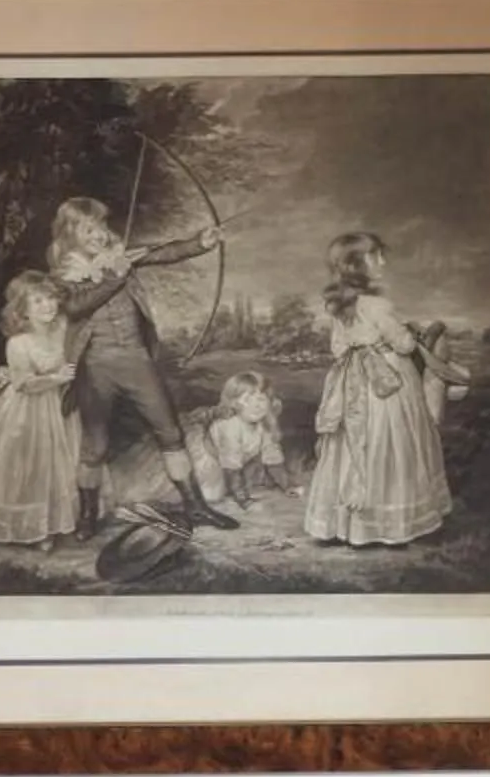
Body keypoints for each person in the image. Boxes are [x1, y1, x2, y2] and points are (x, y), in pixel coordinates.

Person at [49, 196, 238, 537]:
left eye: (102, 226)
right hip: (96, 367)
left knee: (171, 433)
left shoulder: (120, 255)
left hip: (137, 361)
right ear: (70, 233)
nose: (99, 235)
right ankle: (88, 516)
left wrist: (201, 243)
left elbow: (163, 251)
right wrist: (113, 278)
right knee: (96, 446)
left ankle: (196, 508)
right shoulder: (65, 273)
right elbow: (75, 308)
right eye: (89, 229)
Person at [304, 232, 455, 549]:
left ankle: (347, 524)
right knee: (394, 442)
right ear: (356, 264)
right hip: (387, 382)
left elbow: (337, 348)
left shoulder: (339, 306)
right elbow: (403, 344)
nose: (383, 261)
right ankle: (391, 522)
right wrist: (408, 334)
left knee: (354, 447)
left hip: (354, 384)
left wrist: (362, 348)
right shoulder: (377, 304)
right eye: (376, 256)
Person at [0, 271, 79, 548]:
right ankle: (32, 528)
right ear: (22, 310)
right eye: (38, 301)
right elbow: (23, 383)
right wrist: (56, 378)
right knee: (31, 466)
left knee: (60, 464)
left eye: (51, 298)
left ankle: (53, 522)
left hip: (60, 404)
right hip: (29, 409)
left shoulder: (63, 326)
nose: (48, 306)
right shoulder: (18, 343)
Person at [206, 370, 290, 504]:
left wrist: (286, 485)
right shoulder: (230, 426)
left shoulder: (265, 424)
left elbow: (272, 454)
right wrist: (241, 496)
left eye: (261, 399)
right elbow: (231, 462)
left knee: (260, 479)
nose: (256, 405)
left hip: (238, 460)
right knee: (212, 495)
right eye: (247, 400)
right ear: (233, 403)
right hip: (211, 458)